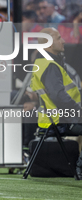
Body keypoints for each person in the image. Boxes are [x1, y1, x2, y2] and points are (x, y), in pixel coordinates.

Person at [30, 27, 82, 179]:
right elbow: (58, 96)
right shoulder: (50, 66)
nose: (63, 40)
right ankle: (80, 167)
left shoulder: (45, 63)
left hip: (53, 118)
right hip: (60, 119)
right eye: (59, 38)